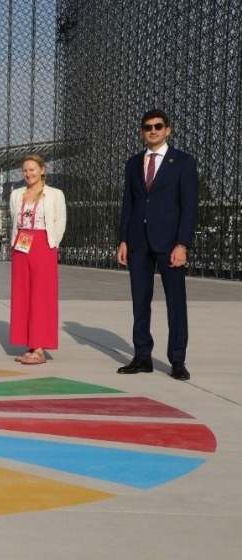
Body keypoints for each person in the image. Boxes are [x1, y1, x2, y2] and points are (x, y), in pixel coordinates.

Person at [117, 109, 198, 380]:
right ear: (142, 132)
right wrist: (123, 239)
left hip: (170, 243)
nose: (153, 130)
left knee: (176, 304)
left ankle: (177, 360)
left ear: (168, 130)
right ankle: (142, 356)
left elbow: (189, 207)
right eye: (148, 127)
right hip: (138, 243)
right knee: (140, 302)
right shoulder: (132, 163)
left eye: (158, 126)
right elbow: (128, 204)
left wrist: (182, 244)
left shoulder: (183, 162)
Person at [8, 154, 66, 365]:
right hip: (21, 244)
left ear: (42, 170)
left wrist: (52, 244)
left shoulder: (55, 194)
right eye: (25, 170)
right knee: (22, 295)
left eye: (32, 169)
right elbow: (14, 220)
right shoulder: (16, 194)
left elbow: (60, 221)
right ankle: (29, 344)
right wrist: (15, 243)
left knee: (42, 296)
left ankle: (40, 348)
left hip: (43, 244)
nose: (28, 173)